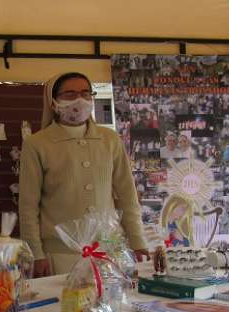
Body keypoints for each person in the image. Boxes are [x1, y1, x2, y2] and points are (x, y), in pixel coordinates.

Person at [19, 72, 148, 277]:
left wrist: (137, 241)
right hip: (60, 255)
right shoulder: (37, 144)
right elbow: (28, 206)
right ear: (53, 102)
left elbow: (127, 196)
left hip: (109, 249)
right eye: (70, 94)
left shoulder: (109, 140)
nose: (79, 99)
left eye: (85, 93)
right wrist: (36, 253)